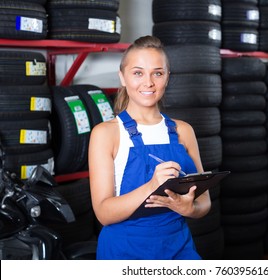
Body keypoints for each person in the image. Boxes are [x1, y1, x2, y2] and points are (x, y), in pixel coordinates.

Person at [88, 35, 211, 260]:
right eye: (138, 73)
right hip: (125, 251)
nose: (148, 82)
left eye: (158, 73)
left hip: (178, 247)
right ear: (122, 77)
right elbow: (103, 214)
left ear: (167, 77)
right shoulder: (106, 133)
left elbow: (204, 202)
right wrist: (151, 186)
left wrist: (189, 209)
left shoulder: (183, 131)